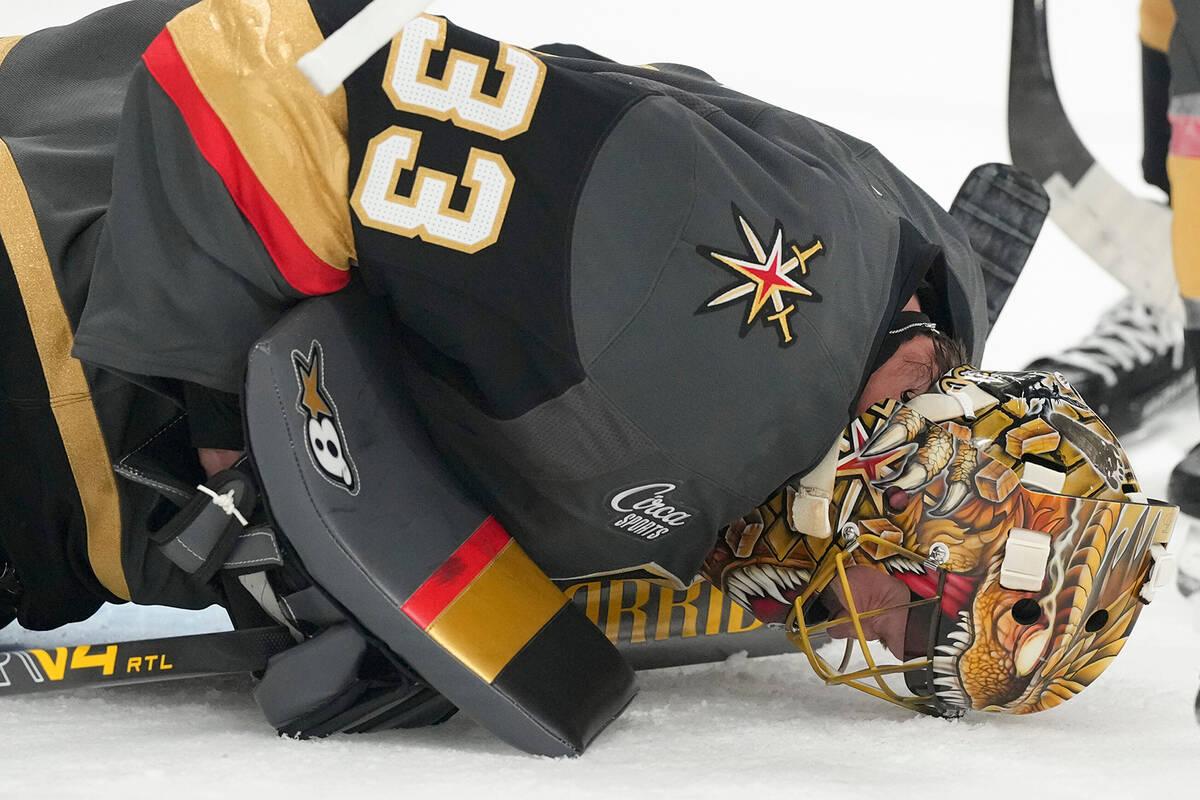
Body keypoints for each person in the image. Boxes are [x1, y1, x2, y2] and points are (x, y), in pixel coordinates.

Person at [0, 0, 1175, 749]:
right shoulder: (688, 303)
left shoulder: (890, 303)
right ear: (923, 478)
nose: (868, 640)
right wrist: (235, 454)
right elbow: (261, 61)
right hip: (36, 316)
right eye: (915, 613)